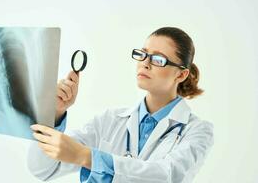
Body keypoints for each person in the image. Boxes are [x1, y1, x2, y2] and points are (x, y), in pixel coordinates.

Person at [27, 27, 214, 183]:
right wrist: (54, 113)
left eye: (158, 59)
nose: (145, 64)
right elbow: (42, 169)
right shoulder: (109, 120)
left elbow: (168, 175)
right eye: (143, 54)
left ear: (181, 75)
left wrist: (88, 157)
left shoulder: (197, 131)